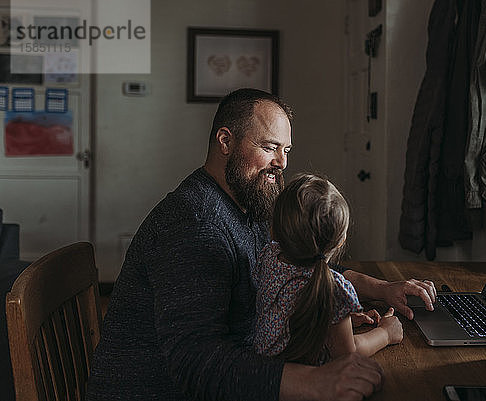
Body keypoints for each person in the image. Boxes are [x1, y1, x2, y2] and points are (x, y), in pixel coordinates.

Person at [86, 88, 436, 401]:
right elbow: (197, 363)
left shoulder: (243, 200)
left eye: (285, 150)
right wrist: (315, 382)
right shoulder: (195, 225)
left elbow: (302, 264)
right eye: (270, 147)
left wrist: (382, 288)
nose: (282, 163)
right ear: (225, 142)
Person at [253, 174, 404, 365]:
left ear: (274, 229)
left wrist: (330, 321)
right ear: (340, 241)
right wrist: (386, 334)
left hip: (264, 368)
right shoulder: (335, 289)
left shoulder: (269, 257)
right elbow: (348, 354)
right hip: (305, 378)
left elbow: (288, 313)